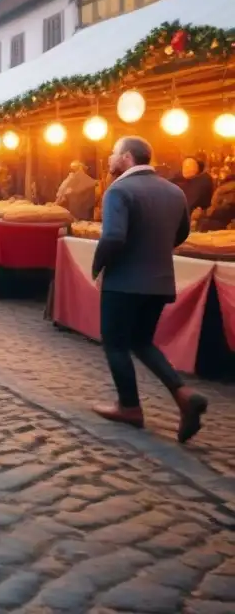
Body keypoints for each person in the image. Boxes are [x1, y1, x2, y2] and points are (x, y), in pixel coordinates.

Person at [92, 136, 207, 442]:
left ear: (127, 157)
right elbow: (181, 233)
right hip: (159, 281)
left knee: (115, 343)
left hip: (124, 282)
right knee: (142, 341)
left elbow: (114, 237)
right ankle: (183, 394)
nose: (109, 158)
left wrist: (98, 264)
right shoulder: (174, 191)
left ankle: (129, 406)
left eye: (114, 153)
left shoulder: (119, 190)